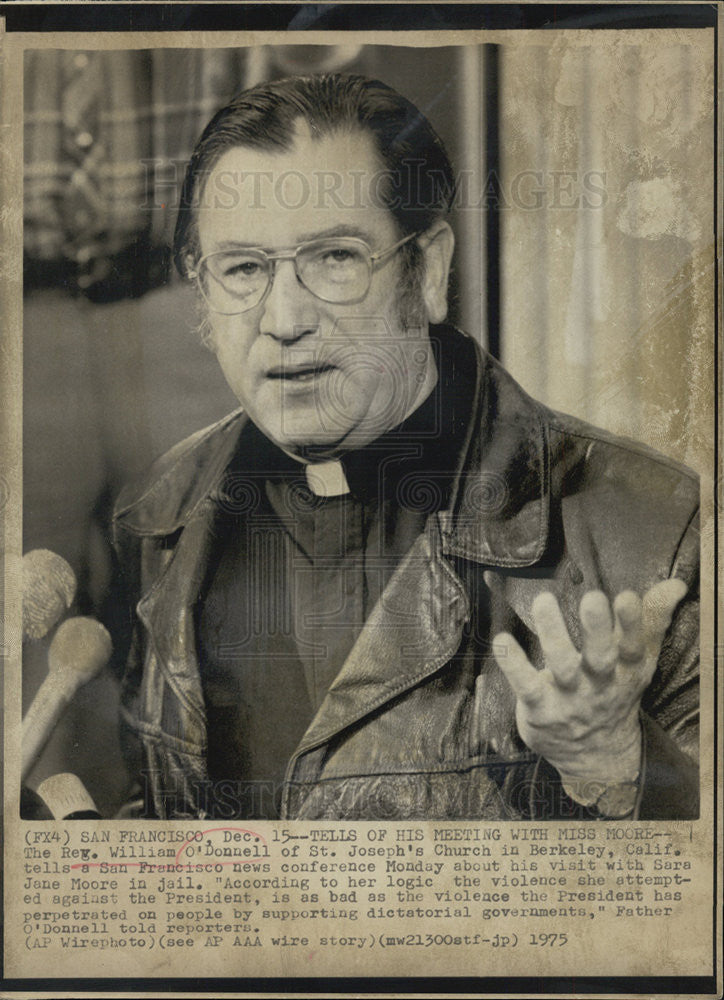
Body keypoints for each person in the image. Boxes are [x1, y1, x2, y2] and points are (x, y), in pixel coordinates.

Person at [111, 73, 699, 821]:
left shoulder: (652, 528)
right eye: (245, 269)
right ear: (202, 294)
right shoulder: (164, 512)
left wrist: (622, 764)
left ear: (428, 272)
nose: (284, 317)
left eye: (335, 259)